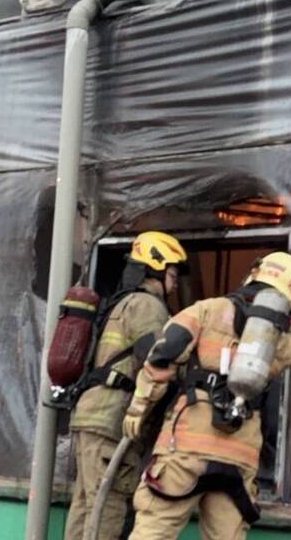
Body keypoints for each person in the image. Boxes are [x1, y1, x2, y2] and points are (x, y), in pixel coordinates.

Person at [123, 252, 291, 540]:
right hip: (240, 454)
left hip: (187, 446)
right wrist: (287, 318)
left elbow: (165, 353)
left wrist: (139, 406)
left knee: (153, 532)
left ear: (254, 274)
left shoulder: (207, 309)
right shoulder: (283, 342)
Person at [64, 231, 188, 540]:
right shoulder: (148, 305)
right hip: (112, 421)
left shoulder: (121, 303)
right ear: (155, 269)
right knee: (107, 506)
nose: (175, 283)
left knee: (85, 505)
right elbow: (155, 358)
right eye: (172, 275)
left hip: (90, 417)